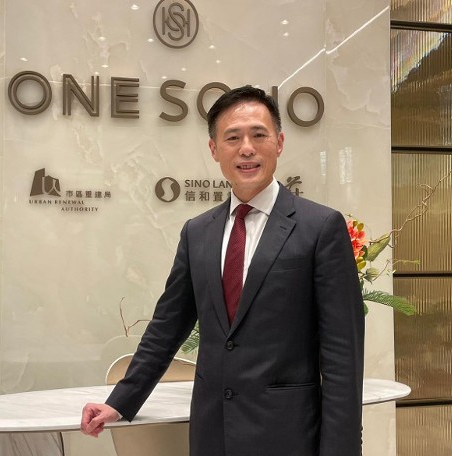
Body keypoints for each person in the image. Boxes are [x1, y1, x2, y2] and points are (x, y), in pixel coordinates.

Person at [81, 86, 364, 456]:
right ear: (214, 149)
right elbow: (167, 327)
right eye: (233, 138)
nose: (246, 148)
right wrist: (121, 400)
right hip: (213, 432)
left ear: (279, 143)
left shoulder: (320, 227)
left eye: (258, 135)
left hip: (289, 435)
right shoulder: (198, 232)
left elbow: (343, 355)